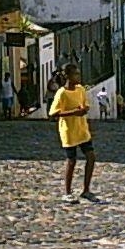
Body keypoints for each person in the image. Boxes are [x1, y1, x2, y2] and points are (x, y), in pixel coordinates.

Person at [48, 63, 97, 204]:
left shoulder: (81, 89)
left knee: (91, 157)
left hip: (82, 129)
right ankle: (67, 192)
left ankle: (86, 190)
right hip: (68, 131)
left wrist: (84, 109)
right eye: (75, 74)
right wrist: (73, 112)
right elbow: (53, 113)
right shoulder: (62, 93)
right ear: (68, 76)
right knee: (72, 161)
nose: (78, 76)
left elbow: (84, 104)